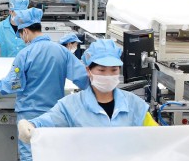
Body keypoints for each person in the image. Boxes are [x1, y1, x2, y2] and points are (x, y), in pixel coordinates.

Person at [0, 8, 89, 161]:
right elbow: (84, 79)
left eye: (21, 34)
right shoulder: (61, 51)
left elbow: (12, 83)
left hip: (29, 115)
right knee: (53, 155)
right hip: (55, 115)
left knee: (30, 156)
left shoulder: (25, 54)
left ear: (25, 32)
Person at [19, 39, 157, 144]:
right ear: (88, 71)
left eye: (114, 70)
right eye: (102, 70)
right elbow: (48, 121)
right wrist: (30, 125)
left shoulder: (134, 104)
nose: (108, 75)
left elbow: (158, 136)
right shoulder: (71, 106)